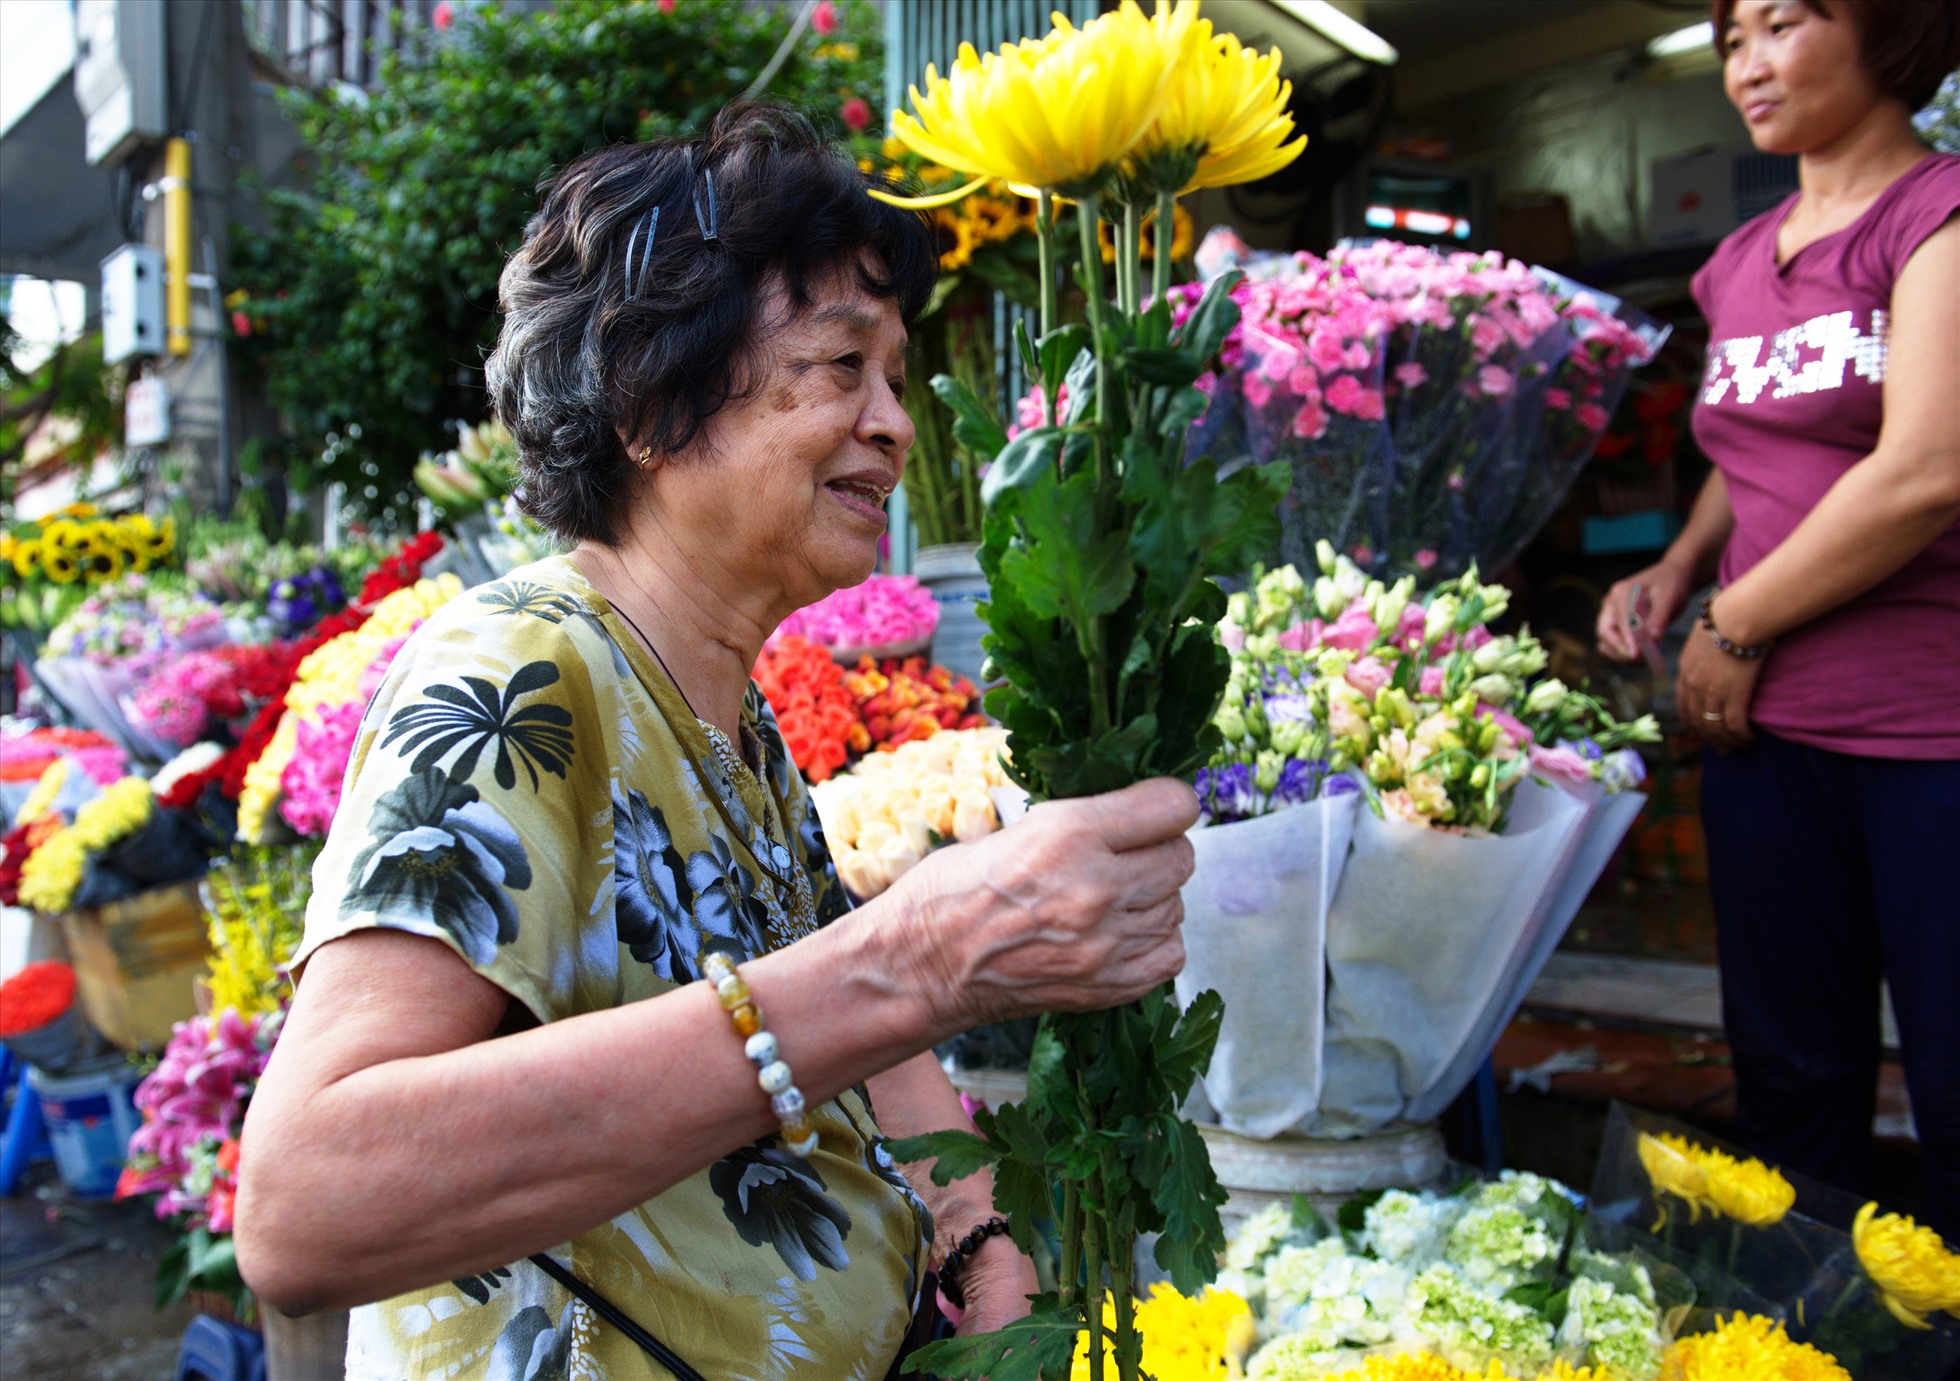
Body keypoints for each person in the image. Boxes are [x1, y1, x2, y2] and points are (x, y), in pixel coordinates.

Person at [234, 105, 1201, 1378]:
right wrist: (916, 957)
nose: (896, 425)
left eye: (896, 379)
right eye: (840, 365)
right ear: (654, 400)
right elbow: (306, 1204)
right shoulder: (521, 669)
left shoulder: (729, 720)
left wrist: (970, 1229)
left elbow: (848, 1012)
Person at [1597, 0, 1960, 1238]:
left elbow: (1925, 468)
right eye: (1732, 37)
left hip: (1927, 731)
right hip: (1766, 740)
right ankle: (1804, 1346)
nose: (1746, 64)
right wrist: (1679, 563)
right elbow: (1745, 438)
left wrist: (1733, 622)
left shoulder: (1937, 216)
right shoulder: (1740, 257)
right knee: (1791, 1083)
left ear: (1888, 30)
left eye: (1783, 23)